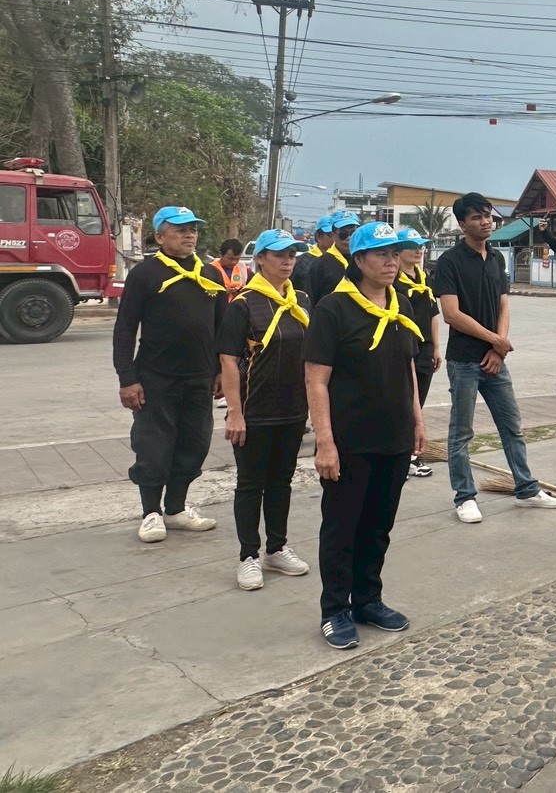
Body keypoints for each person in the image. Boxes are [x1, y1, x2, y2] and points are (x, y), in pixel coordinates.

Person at [305, 222, 427, 650]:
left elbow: (408, 366)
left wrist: (417, 419)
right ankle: (335, 609)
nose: (392, 262)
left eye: (395, 253)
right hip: (350, 441)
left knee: (378, 525)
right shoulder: (333, 309)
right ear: (358, 260)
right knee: (342, 528)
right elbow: (316, 379)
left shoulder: (400, 304)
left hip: (393, 437)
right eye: (381, 254)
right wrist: (325, 442)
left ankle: (368, 600)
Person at [436, 192, 556, 524]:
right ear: (462, 223)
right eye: (477, 217)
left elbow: (503, 306)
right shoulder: (449, 261)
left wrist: (498, 349)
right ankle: (465, 496)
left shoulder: (496, 259)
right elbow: (451, 314)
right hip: (463, 361)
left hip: (495, 360)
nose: (486, 222)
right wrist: (495, 340)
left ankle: (526, 489)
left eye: (488, 216)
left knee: (512, 426)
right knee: (461, 432)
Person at [114, 206, 227, 543]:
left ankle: (176, 509)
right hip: (156, 377)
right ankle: (151, 513)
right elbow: (124, 329)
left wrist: (221, 370)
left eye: (193, 229)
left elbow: (222, 327)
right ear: (160, 236)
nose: (189, 235)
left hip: (199, 378)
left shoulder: (211, 273)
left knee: (195, 443)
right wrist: (127, 379)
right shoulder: (145, 274)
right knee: (154, 446)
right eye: (180, 229)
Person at [217, 229, 314, 590]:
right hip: (254, 410)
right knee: (250, 484)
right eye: (279, 255)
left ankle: (276, 547)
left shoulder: (301, 300)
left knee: (281, 482)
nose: (288, 261)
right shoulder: (243, 304)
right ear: (260, 259)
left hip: (293, 409)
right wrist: (235, 412)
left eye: (292, 255)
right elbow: (228, 361)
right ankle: (248, 556)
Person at [395, 227, 441, 479]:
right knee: (402, 402)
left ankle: (412, 455)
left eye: (420, 246)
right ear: (399, 251)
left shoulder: (423, 279)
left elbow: (434, 314)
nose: (418, 251)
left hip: (424, 350)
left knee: (418, 402)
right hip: (403, 350)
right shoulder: (394, 282)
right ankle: (401, 457)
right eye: (412, 246)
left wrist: (436, 347)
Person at [306, 211, 360, 304]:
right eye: (343, 234)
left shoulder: (363, 261)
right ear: (333, 235)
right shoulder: (320, 264)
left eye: (353, 233)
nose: (349, 238)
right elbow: (310, 299)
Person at [290, 214, 336, 296]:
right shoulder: (300, 262)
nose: (335, 239)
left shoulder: (344, 261)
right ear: (319, 236)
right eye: (331, 235)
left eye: (337, 234)